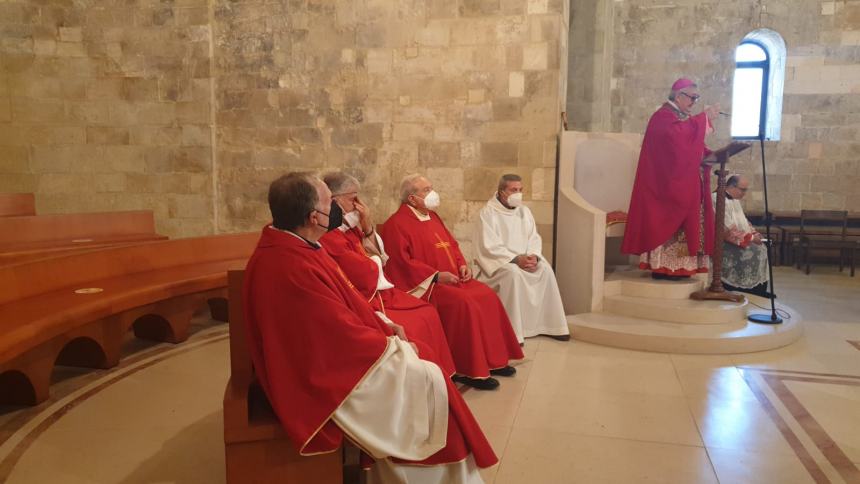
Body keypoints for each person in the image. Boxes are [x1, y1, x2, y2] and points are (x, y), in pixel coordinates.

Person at [243, 172, 496, 483]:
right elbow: (333, 333)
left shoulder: (300, 244)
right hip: (320, 377)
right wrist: (387, 344)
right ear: (313, 217)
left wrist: (383, 324)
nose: (336, 212)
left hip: (336, 355)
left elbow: (344, 299)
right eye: (329, 205)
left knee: (423, 361)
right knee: (427, 379)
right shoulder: (289, 265)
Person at [379, 174, 524, 391]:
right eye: (426, 190)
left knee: (487, 296)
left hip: (453, 278)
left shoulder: (433, 217)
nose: (432, 193)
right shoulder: (396, 224)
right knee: (464, 303)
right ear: (411, 199)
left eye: (431, 187)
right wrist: (436, 276)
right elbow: (401, 262)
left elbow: (451, 245)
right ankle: (471, 370)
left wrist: (462, 264)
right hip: (427, 286)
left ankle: (493, 361)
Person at [319, 172, 457, 378]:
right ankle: (421, 379)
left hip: (377, 290)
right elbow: (370, 267)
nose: (358, 205)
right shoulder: (330, 234)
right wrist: (373, 261)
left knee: (427, 311)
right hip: (365, 296)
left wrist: (366, 226)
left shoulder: (349, 229)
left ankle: (439, 377)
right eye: (352, 199)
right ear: (333, 201)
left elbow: (379, 257)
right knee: (416, 321)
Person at [621, 78, 722, 280]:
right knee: (668, 219)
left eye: (697, 98)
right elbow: (678, 141)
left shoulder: (680, 116)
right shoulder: (663, 116)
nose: (694, 102)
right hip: (663, 186)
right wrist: (704, 118)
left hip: (685, 183)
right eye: (692, 97)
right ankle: (663, 267)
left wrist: (706, 154)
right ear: (679, 95)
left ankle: (681, 267)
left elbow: (688, 145)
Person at [473, 174, 570, 344]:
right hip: (500, 264)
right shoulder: (487, 213)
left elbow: (534, 237)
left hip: (524, 259)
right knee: (513, 274)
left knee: (545, 269)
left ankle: (551, 326)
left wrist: (533, 256)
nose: (518, 193)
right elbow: (489, 246)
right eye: (514, 190)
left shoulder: (524, 212)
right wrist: (516, 259)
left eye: (520, 190)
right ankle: (514, 333)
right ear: (502, 192)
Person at [713, 174, 769, 296]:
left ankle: (758, 288)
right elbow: (726, 228)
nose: (744, 193)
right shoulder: (717, 198)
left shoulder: (735, 200)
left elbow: (743, 221)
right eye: (743, 190)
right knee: (755, 250)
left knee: (762, 248)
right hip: (723, 242)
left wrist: (754, 233)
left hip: (738, 239)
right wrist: (752, 239)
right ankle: (744, 288)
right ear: (732, 187)